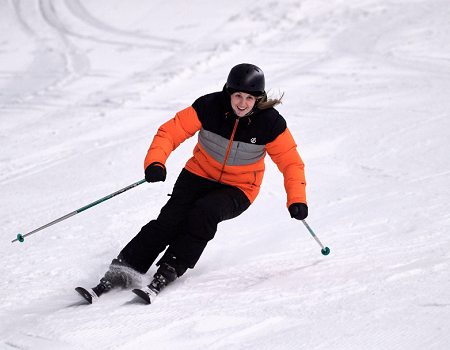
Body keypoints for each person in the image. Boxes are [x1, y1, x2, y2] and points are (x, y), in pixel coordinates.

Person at [85, 63, 308, 300]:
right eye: (238, 96)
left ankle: (170, 269)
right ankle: (122, 271)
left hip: (239, 188)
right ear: (228, 93)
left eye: (249, 98)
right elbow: (170, 132)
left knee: (206, 212)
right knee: (168, 222)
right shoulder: (208, 107)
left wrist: (297, 200)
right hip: (198, 174)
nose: (242, 103)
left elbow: (291, 164)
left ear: (258, 98)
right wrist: (155, 163)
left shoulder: (270, 123)